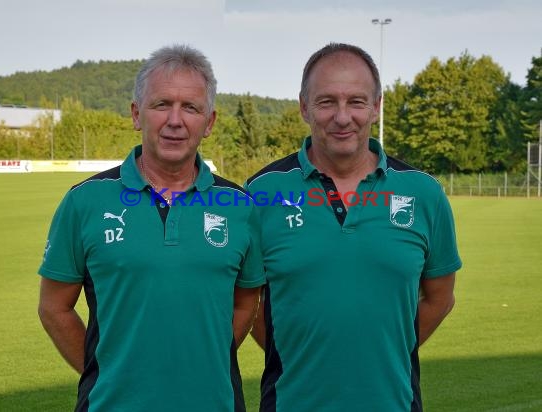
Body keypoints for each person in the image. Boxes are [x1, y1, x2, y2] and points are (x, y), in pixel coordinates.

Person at [38, 44, 265, 412]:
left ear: (209, 123)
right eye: (162, 104)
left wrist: (203, 364)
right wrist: (108, 371)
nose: (175, 120)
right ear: (136, 114)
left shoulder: (240, 206)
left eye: (190, 108)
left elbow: (246, 302)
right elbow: (54, 307)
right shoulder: (84, 201)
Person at [245, 43, 462, 412]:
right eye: (326, 101)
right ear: (304, 107)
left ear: (376, 106)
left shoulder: (423, 192)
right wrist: (300, 355)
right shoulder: (261, 193)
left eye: (356, 102)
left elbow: (440, 297)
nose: (342, 117)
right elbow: (246, 302)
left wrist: (386, 353)